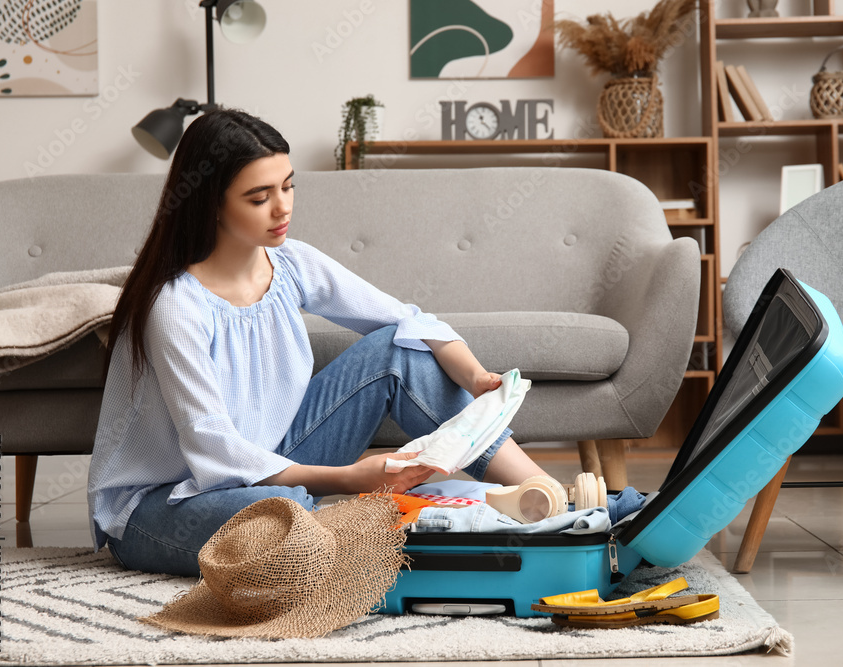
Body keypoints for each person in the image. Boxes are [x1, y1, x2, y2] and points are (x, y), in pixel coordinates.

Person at [87, 109, 549, 576]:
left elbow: (406, 321)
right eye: (258, 197)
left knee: (399, 349)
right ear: (211, 203)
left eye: (287, 186)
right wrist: (349, 479)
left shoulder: (290, 263)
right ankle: (438, 524)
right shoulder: (174, 305)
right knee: (280, 516)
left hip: (275, 462)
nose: (282, 207)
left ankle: (550, 502)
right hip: (164, 504)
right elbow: (215, 449)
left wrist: (474, 377)